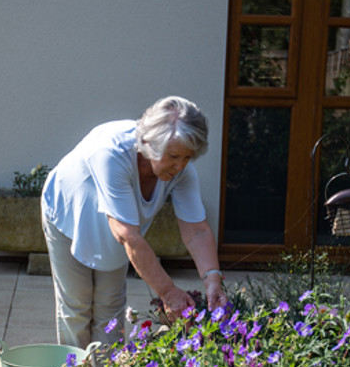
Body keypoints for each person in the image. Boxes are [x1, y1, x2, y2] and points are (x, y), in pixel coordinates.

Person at [41, 96, 227, 351]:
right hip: (68, 213)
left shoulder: (182, 172)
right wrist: (168, 292)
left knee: (110, 309)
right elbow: (128, 236)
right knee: (76, 307)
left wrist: (212, 279)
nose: (180, 165)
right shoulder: (111, 153)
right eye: (173, 156)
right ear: (149, 144)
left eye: (187, 157)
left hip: (118, 226)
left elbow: (196, 230)